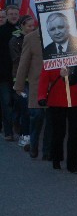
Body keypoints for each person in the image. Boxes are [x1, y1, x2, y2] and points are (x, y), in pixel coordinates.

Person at [14, 22, 51, 160]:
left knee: (51, 120)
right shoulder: (30, 38)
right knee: (37, 116)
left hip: (54, 84)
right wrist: (19, 85)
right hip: (36, 84)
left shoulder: (59, 35)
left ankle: (47, 151)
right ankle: (34, 145)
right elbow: (24, 63)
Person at [37, 65, 77, 172]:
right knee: (58, 132)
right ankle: (56, 159)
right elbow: (45, 76)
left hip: (74, 98)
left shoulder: (76, 55)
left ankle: (73, 165)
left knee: (74, 134)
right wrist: (42, 96)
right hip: (57, 98)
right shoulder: (52, 54)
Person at [9, 15, 36, 148]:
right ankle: (23, 134)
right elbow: (17, 59)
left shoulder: (36, 39)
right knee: (23, 107)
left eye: (33, 26)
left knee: (31, 109)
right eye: (29, 26)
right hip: (20, 78)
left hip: (33, 78)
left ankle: (28, 134)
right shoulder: (15, 40)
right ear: (22, 26)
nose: (32, 28)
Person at [0, 4, 20, 141]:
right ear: (7, 16)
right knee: (6, 103)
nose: (13, 16)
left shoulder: (23, 30)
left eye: (15, 14)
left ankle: (18, 129)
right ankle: (8, 132)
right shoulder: (1, 31)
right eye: (11, 14)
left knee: (18, 103)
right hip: (3, 75)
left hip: (19, 75)